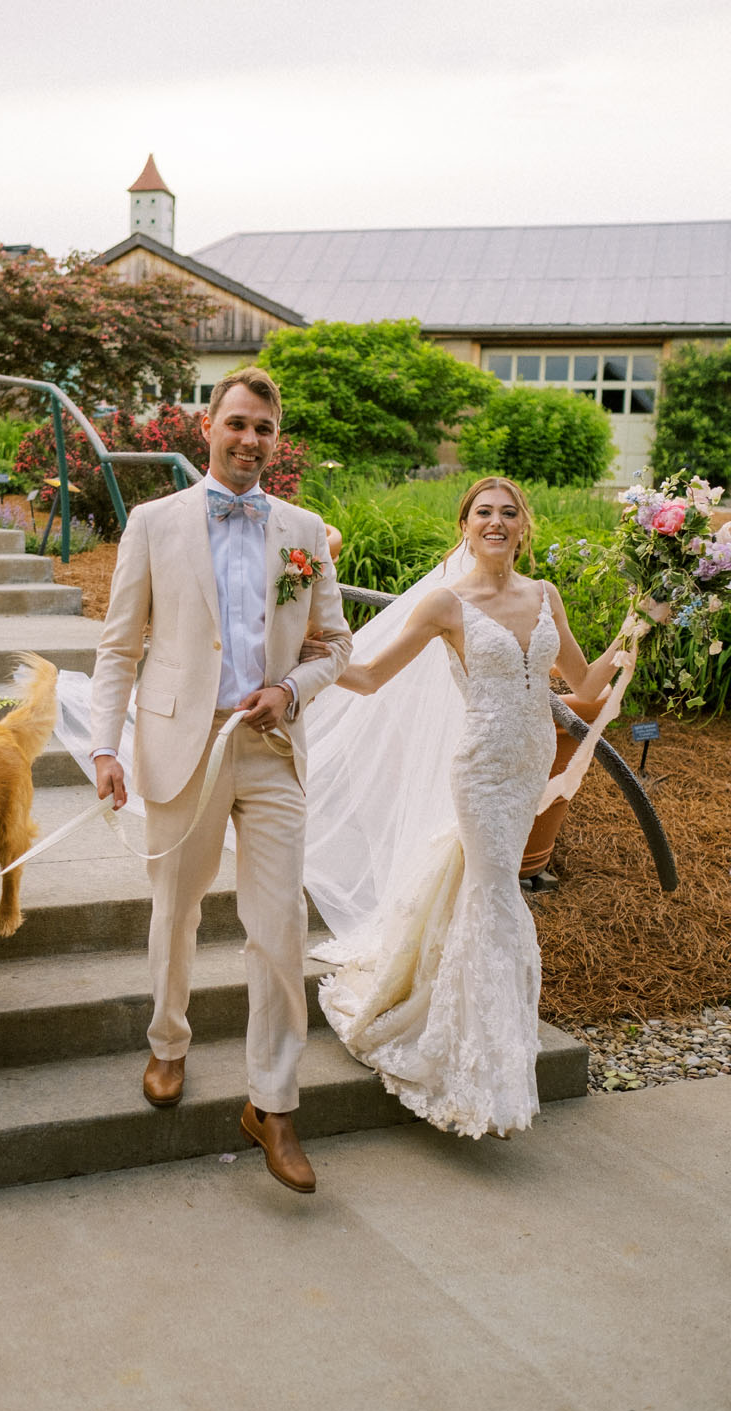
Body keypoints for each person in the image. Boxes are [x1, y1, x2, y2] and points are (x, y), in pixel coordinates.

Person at [301, 474, 663, 1140]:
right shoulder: (445, 604)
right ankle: (484, 1067)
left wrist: (635, 628)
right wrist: (315, 651)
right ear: (465, 525)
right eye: (483, 513)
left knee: (484, 887)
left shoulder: (544, 595)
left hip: (529, 766)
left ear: (523, 525)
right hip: (480, 765)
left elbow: (582, 683)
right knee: (499, 892)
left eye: (508, 512)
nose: (496, 522)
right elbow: (372, 677)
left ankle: (467, 1028)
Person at [90, 367, 352, 1192]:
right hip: (181, 745)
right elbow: (116, 648)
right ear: (209, 426)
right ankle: (169, 1044)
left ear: (276, 441)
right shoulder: (153, 522)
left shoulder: (305, 530)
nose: (248, 440)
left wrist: (289, 690)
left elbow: (334, 647)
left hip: (270, 753)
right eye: (236, 423)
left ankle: (274, 1103)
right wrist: (105, 749)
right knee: (176, 910)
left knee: (278, 929)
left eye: (263, 430)